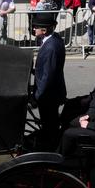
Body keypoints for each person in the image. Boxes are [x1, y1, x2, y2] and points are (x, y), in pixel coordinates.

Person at [32, 12, 66, 150]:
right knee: (50, 122)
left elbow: (48, 76)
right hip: (52, 92)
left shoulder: (51, 47)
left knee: (49, 124)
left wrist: (37, 96)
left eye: (36, 27)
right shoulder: (54, 39)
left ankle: (51, 149)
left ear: (44, 30)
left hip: (48, 96)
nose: (34, 29)